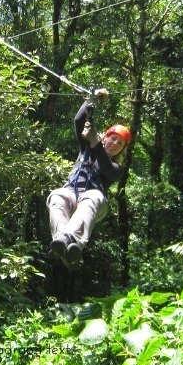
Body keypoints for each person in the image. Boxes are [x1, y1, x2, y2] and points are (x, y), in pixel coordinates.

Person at [47, 89, 131, 265]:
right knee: (57, 195)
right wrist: (91, 100)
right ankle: (63, 241)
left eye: (120, 143)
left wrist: (95, 142)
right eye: (113, 138)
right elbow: (79, 120)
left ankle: (73, 239)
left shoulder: (117, 168)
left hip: (94, 202)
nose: (115, 143)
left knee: (92, 197)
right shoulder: (86, 150)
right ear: (106, 137)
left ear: (122, 149)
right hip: (72, 193)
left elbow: (105, 166)